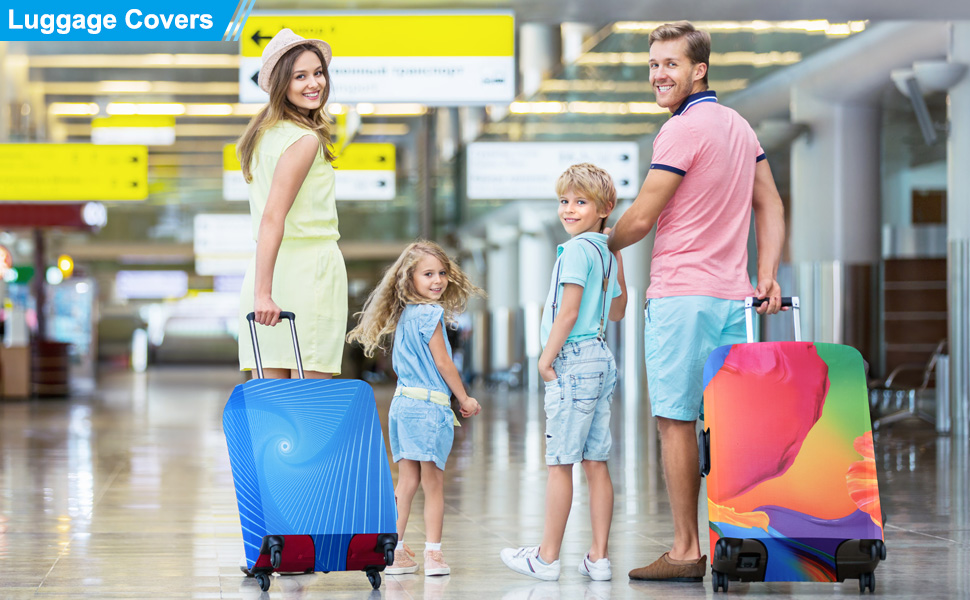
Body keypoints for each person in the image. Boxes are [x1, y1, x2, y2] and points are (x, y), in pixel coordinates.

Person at [606, 21, 786, 582]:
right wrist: (765, 275)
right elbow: (772, 204)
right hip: (733, 300)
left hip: (683, 297)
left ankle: (687, 550)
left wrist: (594, 243)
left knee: (676, 422)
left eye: (670, 65)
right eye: (654, 65)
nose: (659, 74)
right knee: (732, 424)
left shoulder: (681, 130)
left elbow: (641, 216)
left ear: (698, 69)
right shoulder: (737, 126)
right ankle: (741, 539)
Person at [501, 163, 628, 582]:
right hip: (599, 356)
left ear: (605, 207)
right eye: (564, 201)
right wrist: (617, 253)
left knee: (560, 463)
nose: (569, 209)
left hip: (572, 359)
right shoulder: (606, 252)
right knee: (596, 462)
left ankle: (547, 557)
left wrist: (543, 359)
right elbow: (618, 310)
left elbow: (569, 311)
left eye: (580, 201)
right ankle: (599, 558)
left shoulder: (575, 251)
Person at [347, 240, 484, 577]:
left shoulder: (405, 315)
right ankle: (434, 555)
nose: (437, 280)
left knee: (406, 482)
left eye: (441, 273)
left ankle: (391, 550)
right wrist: (464, 398)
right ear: (409, 279)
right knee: (433, 484)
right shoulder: (431, 314)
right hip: (428, 407)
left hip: (402, 405)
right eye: (428, 274)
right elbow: (444, 363)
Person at [236, 28, 346, 380]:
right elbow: (273, 217)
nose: (314, 83)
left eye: (318, 73)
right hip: (309, 273)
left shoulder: (262, 135)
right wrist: (265, 294)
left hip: (267, 273)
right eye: (300, 76)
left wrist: (261, 292)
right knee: (310, 411)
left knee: (272, 413)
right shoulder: (304, 140)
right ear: (282, 83)